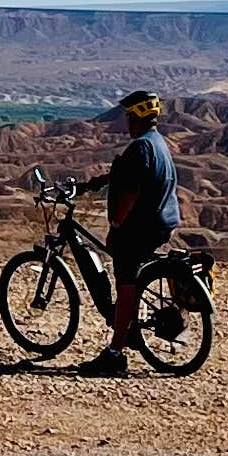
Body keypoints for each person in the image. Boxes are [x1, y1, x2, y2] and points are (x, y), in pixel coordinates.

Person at [76, 88, 178, 375]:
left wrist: (117, 225)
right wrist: (94, 183)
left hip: (143, 226)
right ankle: (130, 325)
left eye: (129, 116)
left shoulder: (140, 147)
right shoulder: (157, 142)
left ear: (137, 117)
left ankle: (115, 353)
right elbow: (132, 175)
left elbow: (131, 190)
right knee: (131, 275)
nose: (127, 122)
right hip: (164, 221)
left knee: (126, 282)